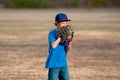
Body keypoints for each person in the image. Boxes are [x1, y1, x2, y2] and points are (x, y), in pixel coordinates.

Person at [45, 13, 73, 80]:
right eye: (62, 23)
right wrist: (60, 37)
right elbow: (53, 45)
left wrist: (70, 40)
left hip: (63, 63)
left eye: (66, 23)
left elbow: (68, 49)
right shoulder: (52, 33)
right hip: (54, 63)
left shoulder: (66, 33)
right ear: (56, 23)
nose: (65, 25)